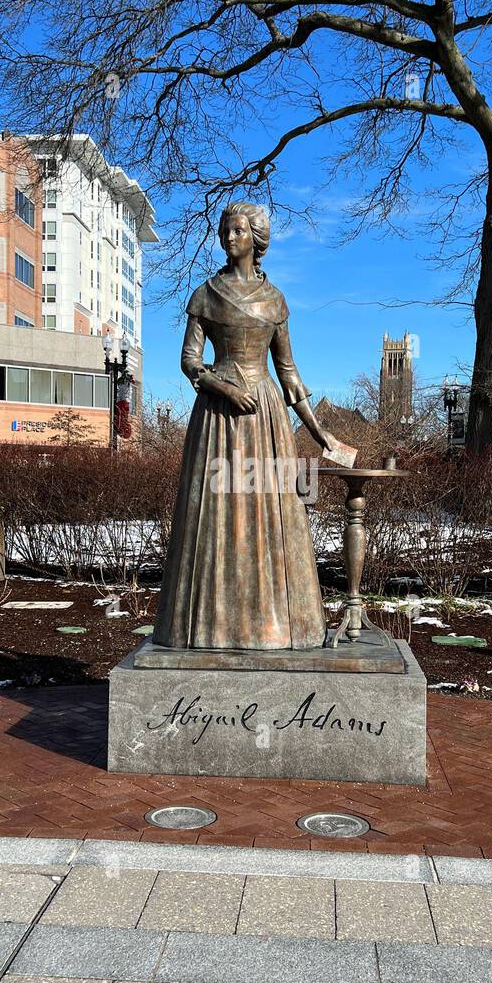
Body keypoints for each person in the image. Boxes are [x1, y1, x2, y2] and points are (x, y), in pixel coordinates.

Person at [153, 201, 353, 650]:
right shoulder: (206, 294)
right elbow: (189, 361)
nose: (229, 238)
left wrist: (319, 431)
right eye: (226, 230)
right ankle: (207, 627)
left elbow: (288, 371)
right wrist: (223, 388)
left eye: (239, 231)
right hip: (218, 419)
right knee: (215, 513)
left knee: (272, 511)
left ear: (256, 238)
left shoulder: (275, 300)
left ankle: (280, 626)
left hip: (265, 417)